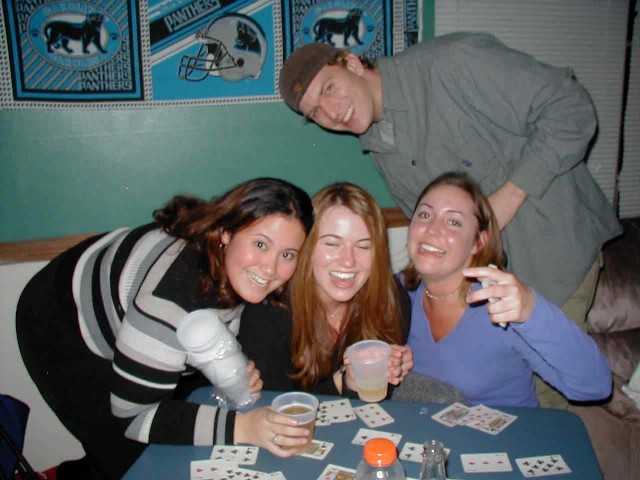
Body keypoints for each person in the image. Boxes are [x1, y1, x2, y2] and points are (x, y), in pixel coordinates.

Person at [277, 35, 623, 407]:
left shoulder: (453, 63)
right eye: (316, 111)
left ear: (351, 63)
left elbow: (571, 109)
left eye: (329, 88)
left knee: (547, 398)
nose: (331, 113)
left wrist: (508, 197)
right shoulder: (379, 144)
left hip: (552, 253)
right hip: (473, 282)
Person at [16, 178, 314, 480]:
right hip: (58, 323)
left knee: (184, 429)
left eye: (288, 254)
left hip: (137, 305)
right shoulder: (171, 300)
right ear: (226, 232)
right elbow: (133, 417)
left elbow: (209, 326)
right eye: (260, 244)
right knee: (130, 460)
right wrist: (244, 428)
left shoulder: (233, 267)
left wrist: (231, 369)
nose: (270, 268)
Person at [239, 182, 463, 412]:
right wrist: (342, 382)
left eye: (363, 246)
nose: (348, 261)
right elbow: (275, 413)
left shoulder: (390, 299)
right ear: (307, 246)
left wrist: (392, 368)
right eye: (332, 243)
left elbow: (376, 398)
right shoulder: (266, 316)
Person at [400, 171, 612, 408]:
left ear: (478, 242)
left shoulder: (502, 306)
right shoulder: (394, 293)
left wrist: (531, 310)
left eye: (454, 222)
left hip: (509, 430)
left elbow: (595, 387)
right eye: (425, 214)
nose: (432, 229)